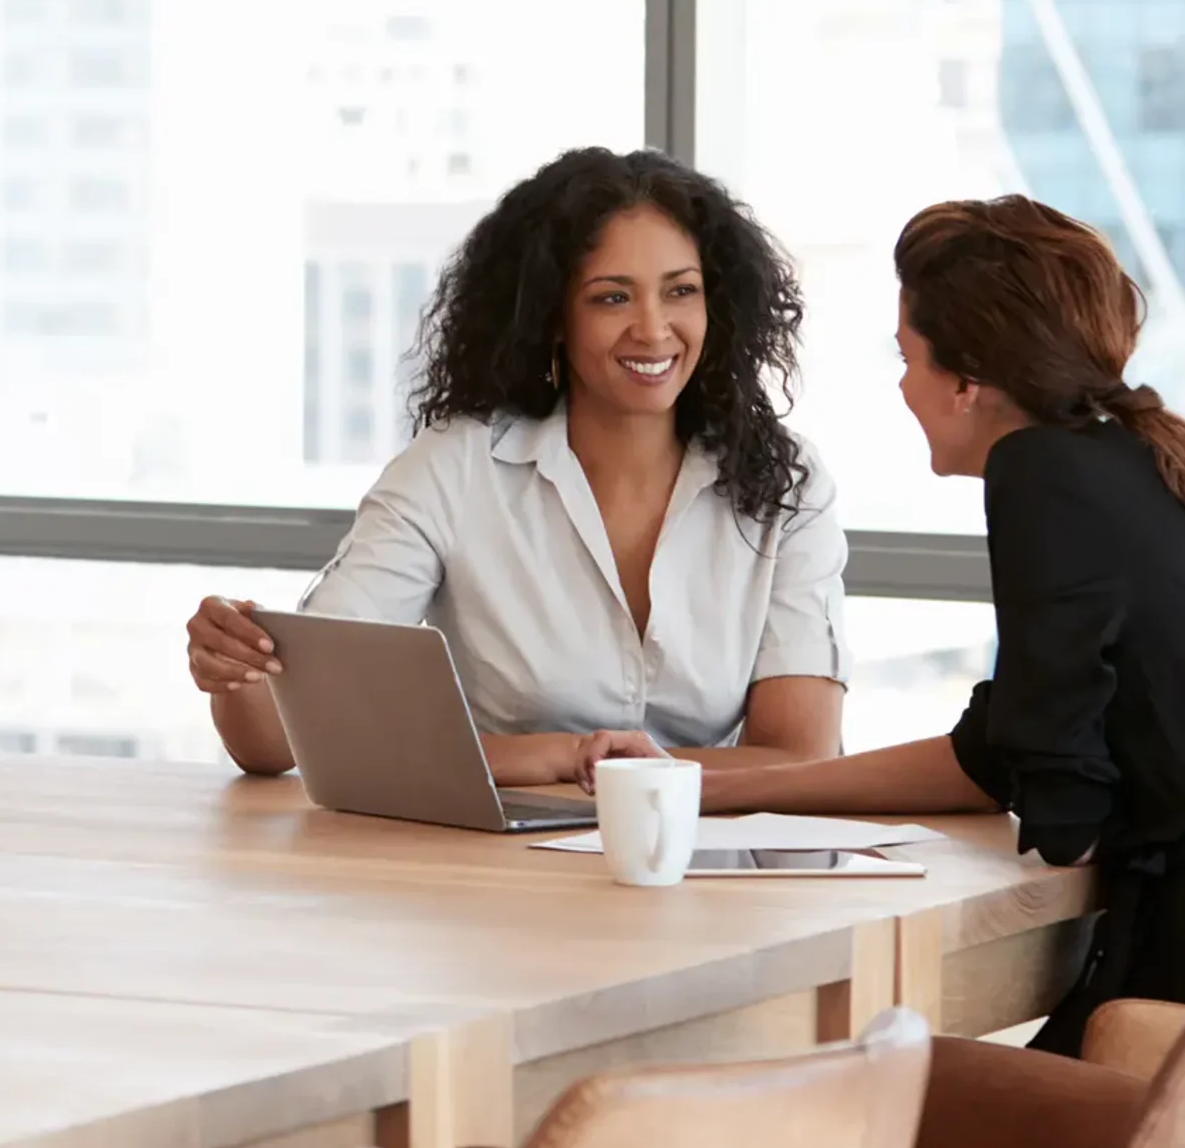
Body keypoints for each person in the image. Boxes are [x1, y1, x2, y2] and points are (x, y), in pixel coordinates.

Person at [586, 196, 1185, 1055]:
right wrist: (705, 783)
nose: (902, 385)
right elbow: (993, 759)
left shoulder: (1040, 472)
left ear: (967, 384)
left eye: (907, 357)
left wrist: (1040, 763)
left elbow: (1064, 813)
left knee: (879, 1087)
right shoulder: (1122, 461)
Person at [184, 148, 850, 783]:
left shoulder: (785, 484)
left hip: (708, 853)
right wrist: (234, 664)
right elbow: (282, 735)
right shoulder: (456, 468)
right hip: (492, 855)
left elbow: (800, 757)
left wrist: (590, 769)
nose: (653, 329)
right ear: (552, 315)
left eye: (680, 291)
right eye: (612, 298)